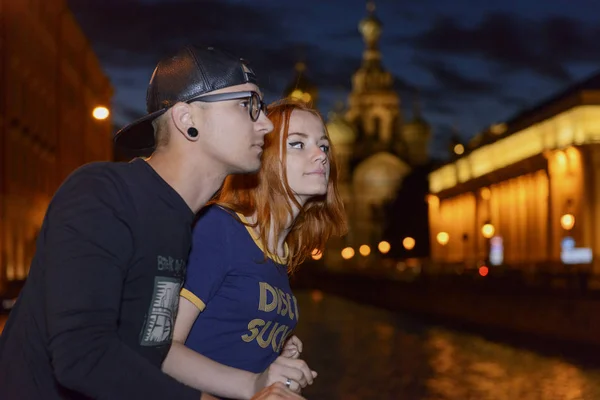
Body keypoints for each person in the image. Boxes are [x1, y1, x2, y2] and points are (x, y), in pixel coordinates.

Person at [0, 45, 301, 400]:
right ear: (187, 119)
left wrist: (255, 379)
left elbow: (147, 352)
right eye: (248, 105)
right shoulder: (103, 194)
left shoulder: (180, 224)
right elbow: (83, 356)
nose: (265, 123)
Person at [162, 99, 348, 399]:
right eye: (298, 144)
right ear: (263, 155)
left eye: (324, 146)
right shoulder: (219, 228)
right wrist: (253, 385)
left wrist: (273, 356)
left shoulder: (279, 255)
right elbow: (161, 349)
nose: (321, 156)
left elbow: (228, 339)